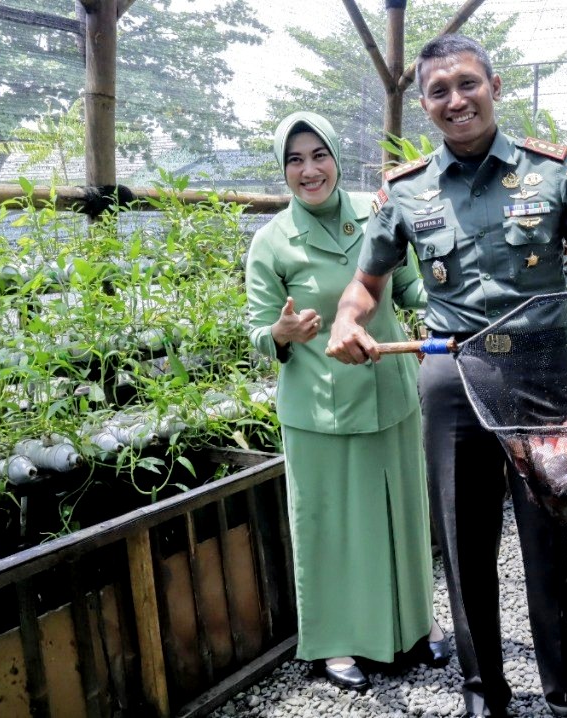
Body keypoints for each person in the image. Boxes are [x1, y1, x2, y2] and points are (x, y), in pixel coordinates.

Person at [326, 35, 567, 718]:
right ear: (423, 104)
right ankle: (484, 695)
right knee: (464, 544)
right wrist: (346, 322)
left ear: (495, 87)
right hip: (452, 375)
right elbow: (365, 285)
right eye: (439, 91)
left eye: (467, 84)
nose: (455, 100)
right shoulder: (407, 190)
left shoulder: (553, 173)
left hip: (543, 376)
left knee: (554, 543)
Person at [244, 111, 446, 693]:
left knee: (403, 515)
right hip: (318, 412)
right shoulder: (273, 241)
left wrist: (441, 299)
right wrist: (279, 334)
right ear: (284, 170)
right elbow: (259, 329)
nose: (310, 170)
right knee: (329, 528)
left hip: (389, 395)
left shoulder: (374, 213)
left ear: (335, 155)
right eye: (295, 160)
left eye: (318, 155)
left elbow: (409, 287)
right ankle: (336, 643)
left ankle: (414, 626)